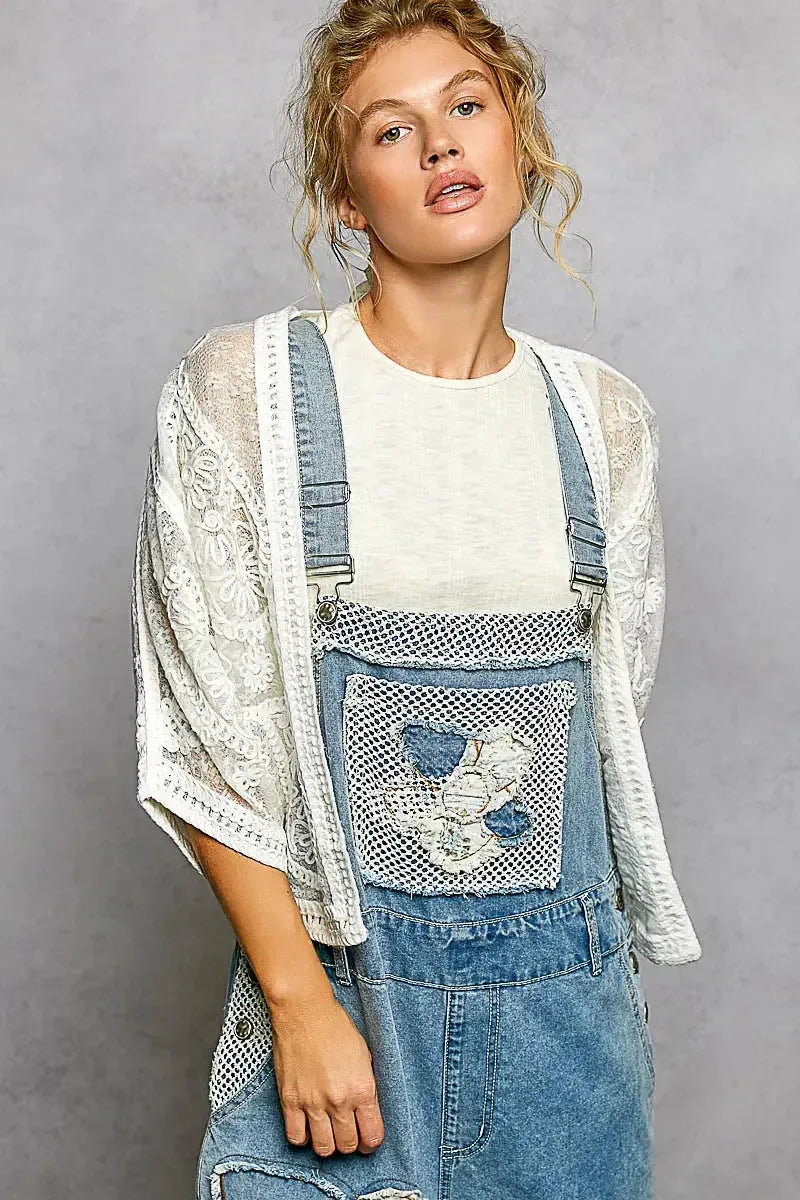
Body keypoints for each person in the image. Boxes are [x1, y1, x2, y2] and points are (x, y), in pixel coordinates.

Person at [130, 3, 702, 1197]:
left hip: (568, 1047)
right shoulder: (244, 397)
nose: (440, 143)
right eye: (391, 130)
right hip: (341, 1028)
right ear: (348, 198)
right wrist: (299, 1003)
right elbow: (208, 746)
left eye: (465, 106)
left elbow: (604, 733)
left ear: (515, 138)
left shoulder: (603, 423)